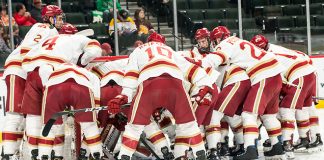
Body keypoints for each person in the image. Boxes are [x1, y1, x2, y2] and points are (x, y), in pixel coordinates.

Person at [107, 32, 214, 159]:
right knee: (189, 125)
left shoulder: (138, 50)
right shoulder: (169, 50)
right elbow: (191, 68)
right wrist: (205, 86)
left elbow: (131, 74)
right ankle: (199, 153)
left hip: (149, 85)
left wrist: (124, 95)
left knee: (134, 128)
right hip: (175, 84)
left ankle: (125, 156)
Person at [199, 26, 285, 160]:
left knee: (248, 114)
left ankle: (250, 150)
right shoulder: (238, 41)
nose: (214, 43)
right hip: (275, 73)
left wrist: (199, 65)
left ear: (218, 38)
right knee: (269, 116)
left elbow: (216, 59)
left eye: (214, 40)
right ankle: (277, 147)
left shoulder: (225, 44)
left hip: (262, 74)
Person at [21, 23, 102, 159]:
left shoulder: (47, 40)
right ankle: (58, 154)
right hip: (52, 72)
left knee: (35, 116)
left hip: (32, 74)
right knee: (57, 116)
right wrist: (82, 61)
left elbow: (25, 56)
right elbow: (95, 49)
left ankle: (36, 152)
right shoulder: (76, 39)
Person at [1, 5, 64, 160]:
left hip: (26, 70)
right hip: (19, 69)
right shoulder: (43, 27)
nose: (62, 21)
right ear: (50, 18)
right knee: (15, 115)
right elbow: (26, 50)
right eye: (59, 17)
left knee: (29, 114)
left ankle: (23, 152)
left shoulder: (52, 31)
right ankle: (8, 153)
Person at [251, 34, 322, 156]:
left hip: (298, 74)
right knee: (305, 108)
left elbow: (276, 81)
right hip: (309, 71)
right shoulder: (275, 49)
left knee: (285, 110)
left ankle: (286, 142)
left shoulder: (267, 57)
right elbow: (305, 58)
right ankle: (310, 139)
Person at [40, 63, 103, 160]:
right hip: (81, 87)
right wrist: (96, 111)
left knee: (50, 127)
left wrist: (46, 88)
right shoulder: (85, 71)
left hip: (55, 87)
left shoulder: (56, 66)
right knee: (90, 127)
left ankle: (44, 155)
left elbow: (44, 69)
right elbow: (95, 82)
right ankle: (97, 154)